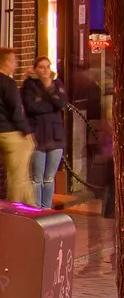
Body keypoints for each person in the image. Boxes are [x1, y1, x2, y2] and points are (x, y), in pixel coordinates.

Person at [21, 57, 67, 210]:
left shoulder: (56, 83)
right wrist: (51, 105)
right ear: (35, 69)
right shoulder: (29, 85)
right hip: (38, 137)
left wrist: (49, 91)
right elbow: (31, 107)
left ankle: (46, 209)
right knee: (37, 178)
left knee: (49, 178)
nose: (46, 70)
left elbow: (61, 103)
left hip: (55, 136)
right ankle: (37, 209)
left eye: (48, 66)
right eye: (41, 67)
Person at [0, 50, 33, 204]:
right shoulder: (8, 83)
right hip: (11, 133)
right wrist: (26, 131)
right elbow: (15, 110)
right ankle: (18, 209)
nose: (16, 64)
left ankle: (30, 205)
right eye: (13, 60)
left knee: (18, 174)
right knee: (18, 176)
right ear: (5, 62)